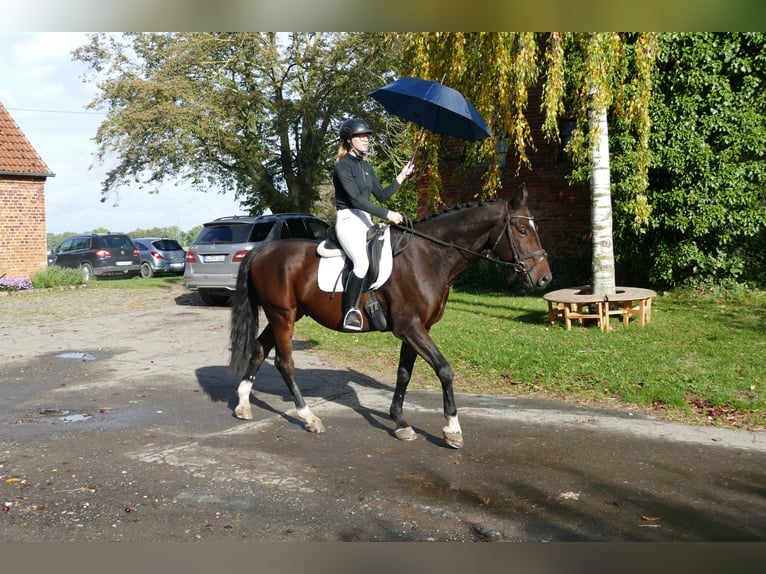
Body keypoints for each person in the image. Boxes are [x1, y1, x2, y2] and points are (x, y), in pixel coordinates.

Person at [333, 118, 415, 331]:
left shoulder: (366, 167)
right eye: (361, 136)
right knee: (361, 263)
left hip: (365, 220)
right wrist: (389, 215)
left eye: (367, 136)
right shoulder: (342, 167)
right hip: (348, 220)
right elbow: (356, 201)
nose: (366, 139)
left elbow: (382, 195)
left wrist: (401, 177)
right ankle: (350, 312)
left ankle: (375, 301)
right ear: (349, 140)